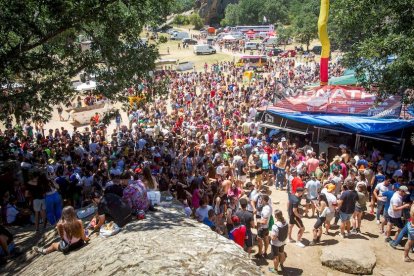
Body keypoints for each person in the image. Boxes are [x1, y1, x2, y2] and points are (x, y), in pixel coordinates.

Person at [269, 209, 288, 274]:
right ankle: (281, 264)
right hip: (282, 242)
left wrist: (270, 235)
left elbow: (273, 238)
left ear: (276, 216)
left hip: (276, 243)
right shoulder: (285, 222)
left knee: (276, 256)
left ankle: (275, 269)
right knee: (282, 253)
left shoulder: (275, 226)